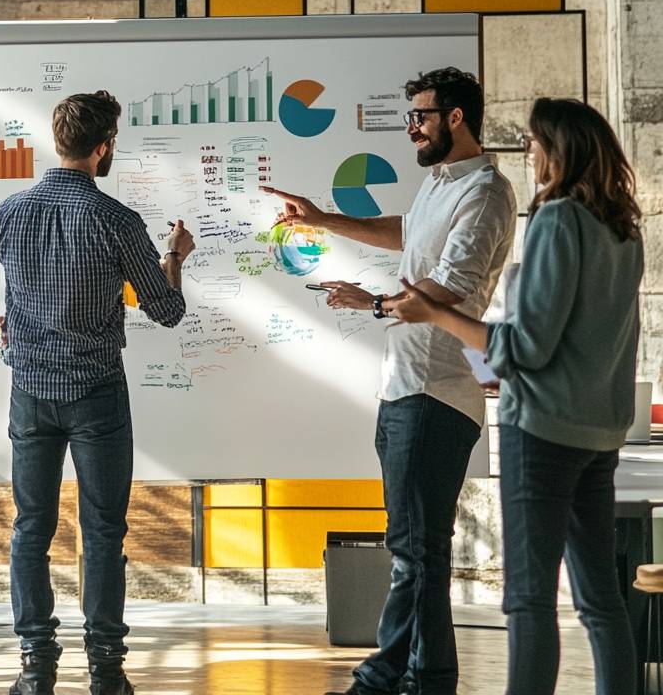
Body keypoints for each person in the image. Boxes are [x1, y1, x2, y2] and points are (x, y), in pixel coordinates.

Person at [263, 66, 516, 695]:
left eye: (421, 117)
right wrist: (323, 219)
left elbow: (450, 285)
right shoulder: (441, 183)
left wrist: (372, 305)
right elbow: (406, 232)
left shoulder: (484, 191)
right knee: (417, 548)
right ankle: (430, 677)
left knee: (412, 550)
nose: (412, 129)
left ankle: (380, 678)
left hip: (435, 390)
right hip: (405, 387)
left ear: (456, 118)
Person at [386, 97, 643, 695]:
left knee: (528, 599)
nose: (526, 153)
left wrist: (436, 313)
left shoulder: (559, 220)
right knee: (600, 597)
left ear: (556, 150)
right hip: (598, 434)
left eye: (532, 142)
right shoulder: (623, 232)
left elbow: (526, 345)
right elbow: (588, 339)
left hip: (545, 433)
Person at [0, 90, 195, 695]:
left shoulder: (9, 212)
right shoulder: (116, 221)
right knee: (103, 530)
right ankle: (106, 670)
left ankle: (35, 666)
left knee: (31, 527)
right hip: (96, 393)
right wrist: (173, 257)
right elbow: (167, 310)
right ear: (103, 147)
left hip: (29, 388)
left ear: (59, 141)